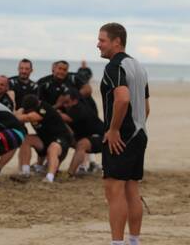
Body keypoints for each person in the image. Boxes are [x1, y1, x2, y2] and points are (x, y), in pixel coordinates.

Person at [97, 22, 150, 245]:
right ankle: (134, 241)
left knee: (114, 190)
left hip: (121, 136)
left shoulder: (114, 67)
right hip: (139, 134)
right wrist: (134, 130)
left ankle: (117, 243)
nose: (98, 44)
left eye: (102, 40)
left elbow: (123, 98)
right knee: (132, 189)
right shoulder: (138, 66)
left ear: (117, 41)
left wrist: (114, 129)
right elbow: (146, 108)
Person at [13, 94, 72, 183]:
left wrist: (19, 111)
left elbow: (24, 117)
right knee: (26, 139)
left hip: (61, 139)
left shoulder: (43, 109)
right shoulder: (29, 109)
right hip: (44, 140)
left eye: (29, 110)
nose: (28, 112)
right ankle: (25, 171)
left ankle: (49, 177)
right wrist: (21, 110)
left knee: (53, 148)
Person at [58, 88, 104, 177]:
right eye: (63, 102)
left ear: (75, 101)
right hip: (84, 136)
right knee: (62, 142)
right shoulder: (67, 107)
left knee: (82, 144)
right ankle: (54, 169)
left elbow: (67, 118)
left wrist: (55, 110)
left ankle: (70, 173)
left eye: (67, 102)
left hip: (102, 137)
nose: (65, 105)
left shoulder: (80, 108)